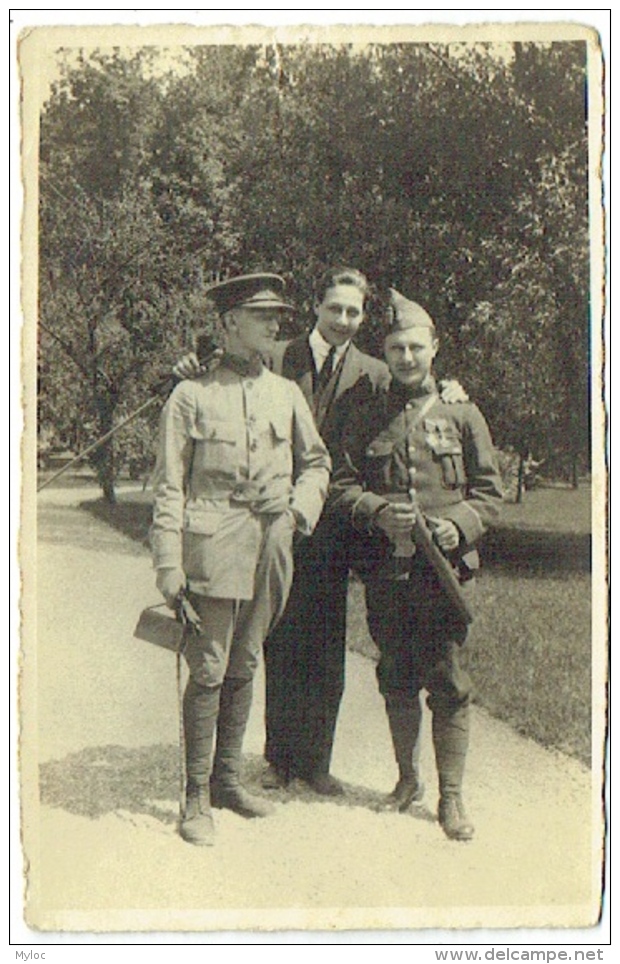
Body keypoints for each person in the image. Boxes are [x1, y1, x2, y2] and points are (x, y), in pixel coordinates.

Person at [174, 267, 467, 797]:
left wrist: (447, 388)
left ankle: (315, 761)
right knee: (274, 641)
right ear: (318, 308)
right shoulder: (279, 355)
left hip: (333, 525)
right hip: (265, 521)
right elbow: (220, 375)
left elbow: (411, 397)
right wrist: (193, 362)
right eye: (336, 309)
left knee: (326, 646)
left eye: (354, 313)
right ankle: (277, 756)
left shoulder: (374, 371)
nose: (344, 321)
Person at [150, 273, 331, 846]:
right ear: (229, 323)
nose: (276, 324)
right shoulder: (192, 395)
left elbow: (317, 463)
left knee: (246, 662)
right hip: (212, 544)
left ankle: (228, 779)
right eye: (262, 314)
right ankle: (195, 795)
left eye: (278, 314)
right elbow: (169, 486)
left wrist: (300, 511)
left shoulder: (286, 393)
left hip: (271, 546)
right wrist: (168, 564)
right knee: (208, 667)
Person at [329, 289, 503, 840]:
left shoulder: (462, 412)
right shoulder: (365, 414)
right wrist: (378, 513)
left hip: (442, 574)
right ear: (384, 351)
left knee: (448, 680)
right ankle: (408, 781)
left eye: (415, 348)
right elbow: (341, 484)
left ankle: (451, 798)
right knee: (395, 675)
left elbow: (490, 493)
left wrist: (461, 524)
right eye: (396, 349)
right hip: (387, 570)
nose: (406, 358)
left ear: (435, 348)